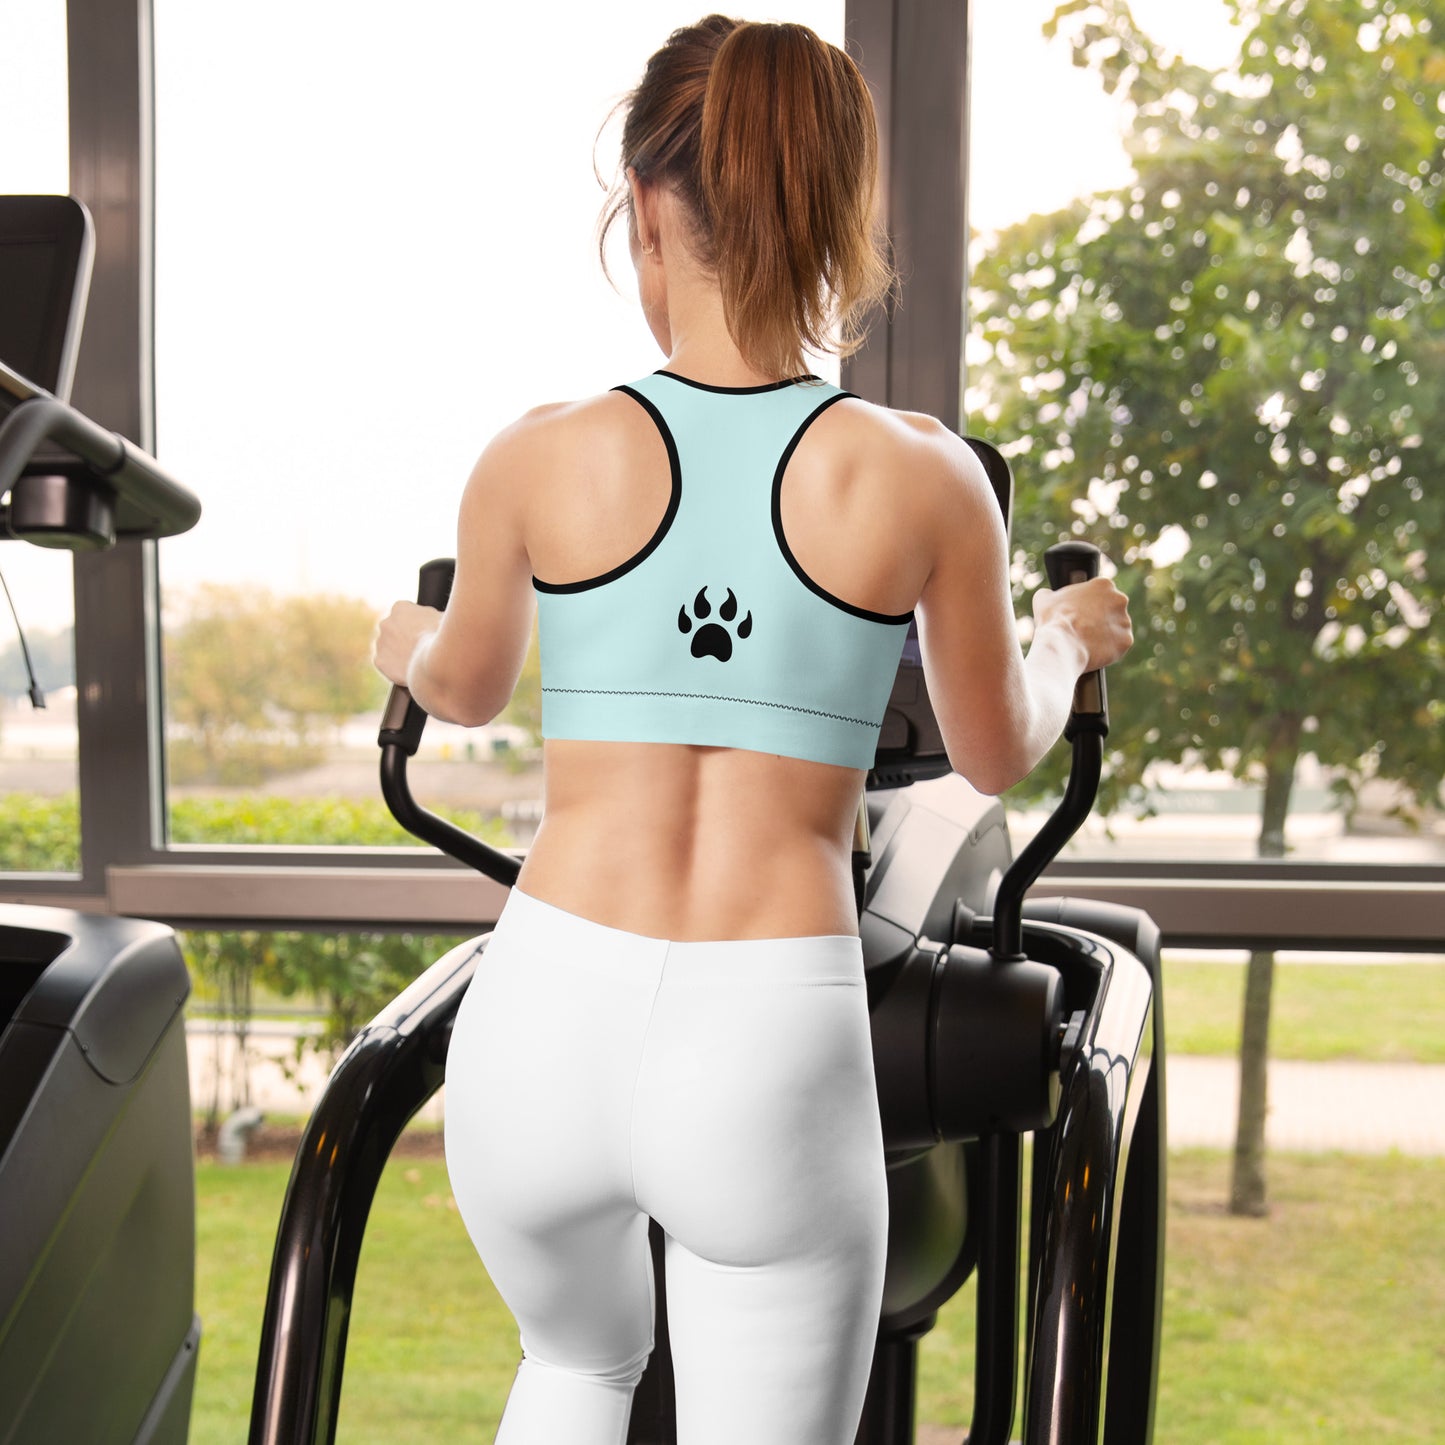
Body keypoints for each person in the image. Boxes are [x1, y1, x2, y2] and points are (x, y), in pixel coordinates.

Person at [372, 14, 1133, 1444]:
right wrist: (1062, 637)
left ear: (647, 211)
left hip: (540, 1018)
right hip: (759, 1036)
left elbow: (461, 684)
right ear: (841, 210)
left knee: (576, 1372)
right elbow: (993, 747)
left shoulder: (538, 454)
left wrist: (393, 637)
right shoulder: (919, 477)